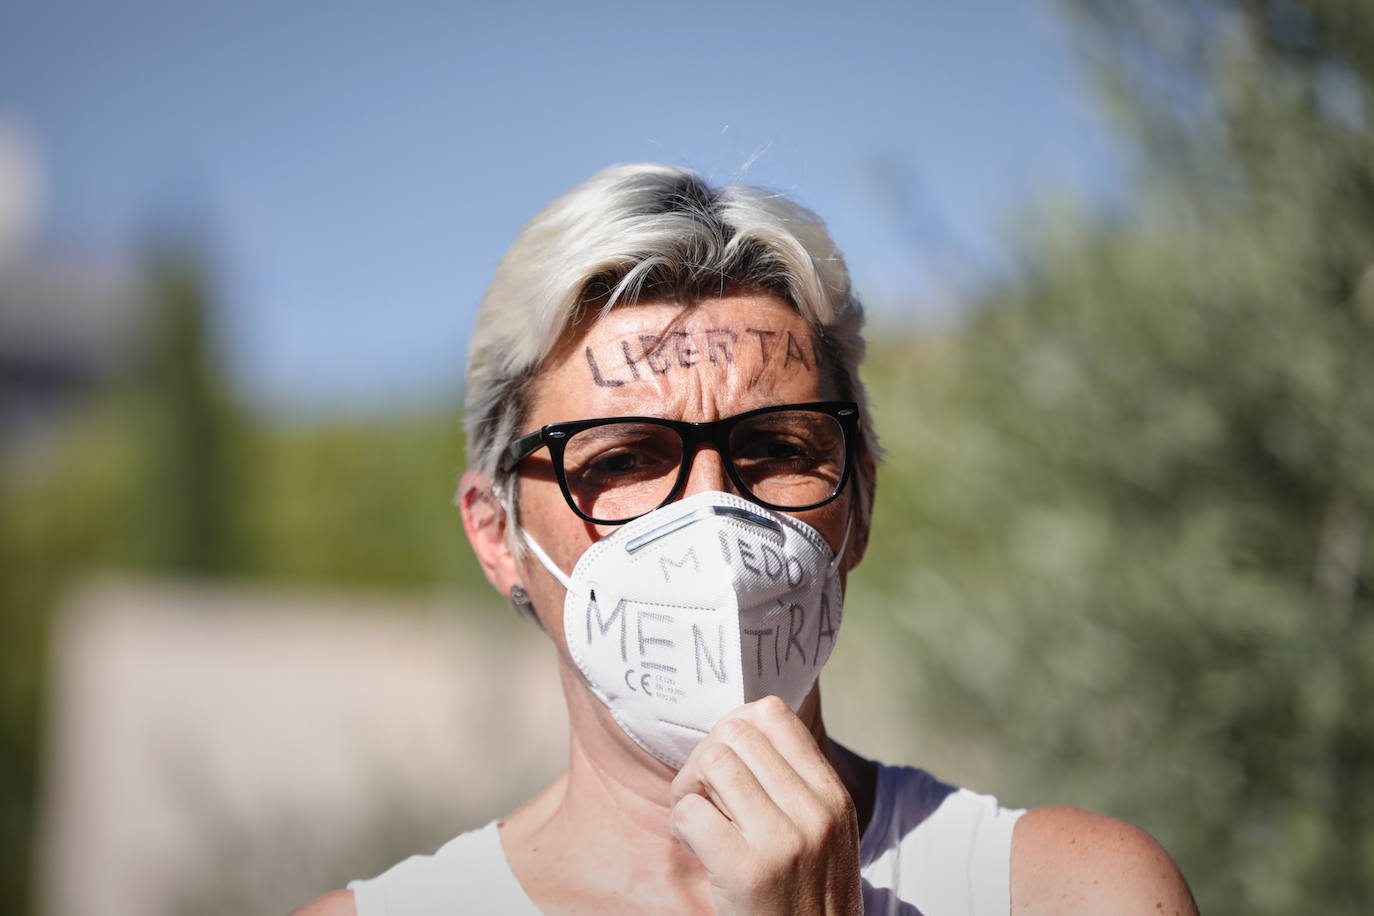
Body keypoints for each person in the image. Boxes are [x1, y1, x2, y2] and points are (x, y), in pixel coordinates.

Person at [294, 164, 1197, 915]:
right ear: (498, 535)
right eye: (625, 457)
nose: (712, 509)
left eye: (779, 448)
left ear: (861, 501)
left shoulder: (1069, 891)